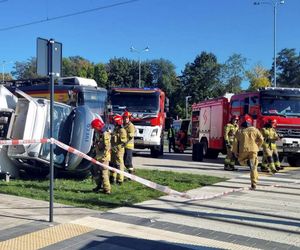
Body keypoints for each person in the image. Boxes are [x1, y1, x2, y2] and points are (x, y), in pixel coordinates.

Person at [233, 115, 264, 190]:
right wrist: (257, 146)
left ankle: (247, 163)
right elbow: (261, 139)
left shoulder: (239, 131)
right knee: (253, 167)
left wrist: (235, 152)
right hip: (253, 150)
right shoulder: (255, 129)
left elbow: (235, 142)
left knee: (241, 161)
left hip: (243, 150)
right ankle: (254, 183)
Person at [90, 117, 111, 194]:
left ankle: (107, 189)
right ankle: (99, 185)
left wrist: (104, 157)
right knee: (94, 169)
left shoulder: (105, 134)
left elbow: (107, 147)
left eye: (94, 128)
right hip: (98, 155)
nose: (94, 130)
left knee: (104, 172)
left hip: (104, 157)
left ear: (98, 127)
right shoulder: (99, 133)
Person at [110, 114, 127, 185]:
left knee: (119, 165)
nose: (113, 123)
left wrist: (116, 136)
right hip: (114, 149)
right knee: (113, 164)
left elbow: (123, 140)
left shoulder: (122, 130)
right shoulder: (116, 129)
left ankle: (120, 180)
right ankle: (112, 178)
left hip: (119, 150)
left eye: (115, 122)